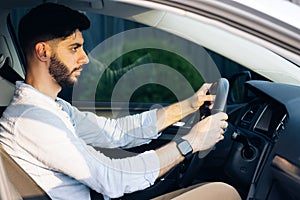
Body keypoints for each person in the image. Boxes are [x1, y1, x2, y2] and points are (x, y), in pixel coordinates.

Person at [0, 3, 241, 200]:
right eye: (75, 48)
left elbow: (116, 132)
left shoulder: (54, 107)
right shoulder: (32, 120)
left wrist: (189, 105)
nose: (85, 58)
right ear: (43, 52)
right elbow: (110, 177)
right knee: (222, 193)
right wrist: (190, 143)